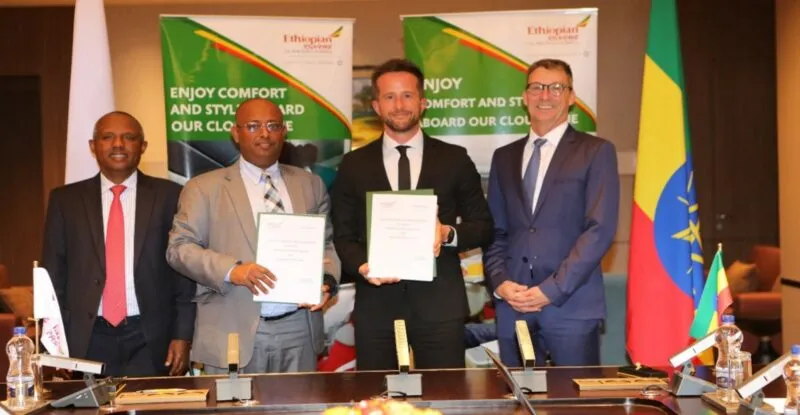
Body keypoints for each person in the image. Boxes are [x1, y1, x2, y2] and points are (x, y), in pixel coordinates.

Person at [330, 58, 494, 370]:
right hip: (376, 307)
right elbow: (343, 234)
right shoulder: (354, 165)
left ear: (423, 102)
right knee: (377, 394)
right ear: (376, 106)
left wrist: (446, 233)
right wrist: (363, 266)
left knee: (444, 393)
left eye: (407, 95)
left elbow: (483, 226)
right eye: (389, 97)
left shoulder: (454, 159)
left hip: (440, 306)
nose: (399, 105)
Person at [167, 98, 340, 374]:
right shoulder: (203, 188)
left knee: (300, 401)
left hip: (299, 328)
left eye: (273, 126)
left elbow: (326, 245)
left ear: (284, 132)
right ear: (235, 133)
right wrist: (232, 270)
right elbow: (179, 248)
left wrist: (327, 281)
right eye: (253, 126)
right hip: (232, 328)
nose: (264, 133)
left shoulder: (310, 184)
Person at [483, 58, 620, 367]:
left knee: (573, 395)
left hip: (571, 306)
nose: (545, 96)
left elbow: (599, 229)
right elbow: (495, 231)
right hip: (514, 305)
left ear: (571, 97)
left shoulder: (596, 151)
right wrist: (500, 281)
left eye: (556, 88)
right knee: (517, 394)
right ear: (524, 97)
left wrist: (552, 289)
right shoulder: (504, 157)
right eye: (536, 88)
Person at [41, 111, 196, 377]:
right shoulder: (65, 201)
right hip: (86, 339)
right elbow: (53, 275)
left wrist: (183, 335)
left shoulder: (171, 195)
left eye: (129, 137)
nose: (118, 144)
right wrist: (55, 343)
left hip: (151, 338)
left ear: (143, 146)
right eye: (108, 137)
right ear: (93, 146)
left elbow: (184, 274)